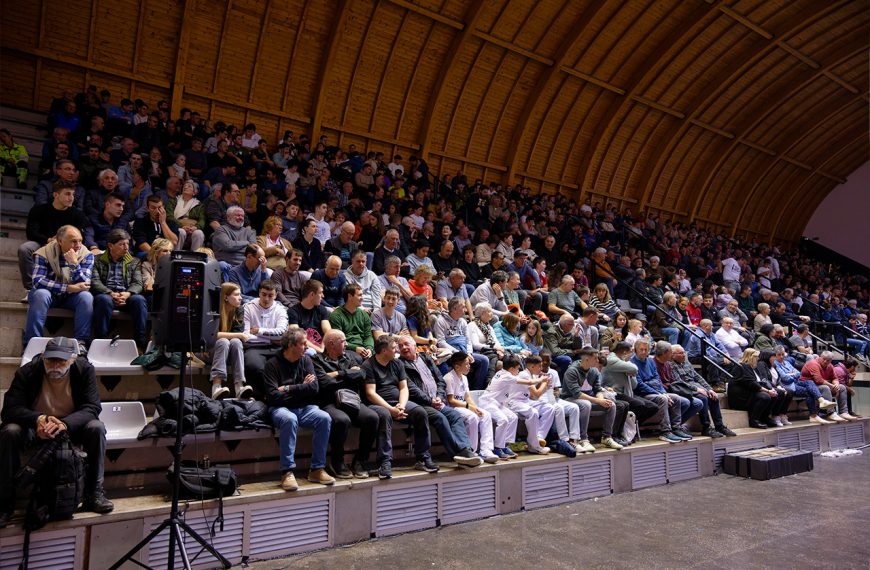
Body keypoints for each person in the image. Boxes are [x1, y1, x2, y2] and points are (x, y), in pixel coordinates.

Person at [0, 337, 114, 528]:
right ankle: (4, 503)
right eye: (50, 360)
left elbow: (92, 407)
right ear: (43, 357)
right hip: (35, 427)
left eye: (60, 361)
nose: (54, 366)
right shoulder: (27, 372)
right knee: (9, 431)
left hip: (70, 427)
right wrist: (39, 419)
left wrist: (65, 424)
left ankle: (94, 493)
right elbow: (10, 409)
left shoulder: (84, 370)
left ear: (72, 359)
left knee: (97, 428)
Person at [262, 329, 335, 491]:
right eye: (303, 344)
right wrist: (303, 388)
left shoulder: (306, 360)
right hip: (279, 409)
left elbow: (314, 388)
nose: (307, 347)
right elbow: (273, 397)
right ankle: (287, 472)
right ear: (290, 345)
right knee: (289, 419)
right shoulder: (272, 364)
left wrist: (288, 388)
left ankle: (317, 469)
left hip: (304, 407)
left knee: (324, 418)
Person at [397, 336, 484, 467]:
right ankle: (459, 452)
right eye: (400, 346)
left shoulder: (426, 358)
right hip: (420, 404)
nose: (403, 348)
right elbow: (411, 388)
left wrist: (439, 396)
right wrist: (430, 401)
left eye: (406, 344)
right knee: (440, 418)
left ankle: (466, 449)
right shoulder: (400, 364)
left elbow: (440, 380)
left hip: (437, 400)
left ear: (415, 346)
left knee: (454, 416)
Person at [362, 335, 440, 479]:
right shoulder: (369, 365)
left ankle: (423, 457)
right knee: (384, 416)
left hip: (398, 403)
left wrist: (402, 406)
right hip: (377, 404)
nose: (397, 350)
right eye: (393, 348)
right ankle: (385, 462)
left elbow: (404, 388)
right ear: (384, 351)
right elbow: (370, 393)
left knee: (420, 412)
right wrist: (391, 410)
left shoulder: (397, 363)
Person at [312, 330, 380, 479]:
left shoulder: (350, 356)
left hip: (351, 399)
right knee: (342, 420)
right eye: (343, 341)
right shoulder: (317, 360)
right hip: (329, 402)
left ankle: (360, 460)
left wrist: (338, 374)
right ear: (331, 343)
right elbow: (323, 383)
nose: (347, 344)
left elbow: (362, 375)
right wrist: (349, 375)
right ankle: (337, 461)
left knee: (372, 417)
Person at [24, 226, 93, 352]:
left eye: (80, 241)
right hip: (51, 295)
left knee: (86, 297)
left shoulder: (86, 255)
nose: (78, 245)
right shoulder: (44, 252)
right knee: (40, 294)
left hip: (71, 298)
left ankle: (81, 343)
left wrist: (73, 264)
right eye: (73, 241)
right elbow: (38, 281)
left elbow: (85, 284)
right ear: (60, 241)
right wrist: (67, 287)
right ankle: (32, 343)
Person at [19, 182, 94, 291]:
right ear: (55, 195)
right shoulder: (39, 210)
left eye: (73, 194)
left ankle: (68, 287)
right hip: (42, 243)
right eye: (67, 194)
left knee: (84, 252)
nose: (71, 198)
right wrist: (48, 239)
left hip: (66, 246)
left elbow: (82, 236)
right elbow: (31, 232)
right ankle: (30, 288)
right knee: (25, 249)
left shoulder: (78, 214)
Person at [479, 354, 551, 454]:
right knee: (503, 420)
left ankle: (505, 445)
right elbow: (530, 382)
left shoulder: (502, 372)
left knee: (513, 417)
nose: (518, 371)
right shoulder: (507, 376)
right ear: (512, 368)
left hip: (498, 403)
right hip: (488, 402)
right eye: (517, 368)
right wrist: (542, 380)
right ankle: (498, 448)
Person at [90, 229, 148, 349]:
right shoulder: (97, 260)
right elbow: (95, 282)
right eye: (122, 244)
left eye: (127, 243)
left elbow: (138, 283)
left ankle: (140, 342)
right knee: (103, 300)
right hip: (107, 294)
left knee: (139, 300)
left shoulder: (134, 261)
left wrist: (127, 293)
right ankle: (101, 341)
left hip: (126, 295)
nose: (126, 247)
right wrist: (110, 293)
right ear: (110, 245)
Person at [562, 348, 627, 450]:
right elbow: (577, 394)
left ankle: (607, 437)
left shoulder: (594, 371)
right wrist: (597, 401)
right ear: (587, 359)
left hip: (587, 399)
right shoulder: (572, 371)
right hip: (568, 399)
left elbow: (598, 390)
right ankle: (583, 439)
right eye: (595, 358)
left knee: (611, 404)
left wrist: (601, 400)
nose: (597, 361)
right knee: (586, 404)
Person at [632, 341, 695, 441]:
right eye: (641, 349)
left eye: (646, 349)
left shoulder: (650, 361)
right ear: (635, 350)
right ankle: (665, 431)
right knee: (662, 399)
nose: (644, 352)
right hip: (642, 394)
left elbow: (657, 379)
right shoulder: (632, 363)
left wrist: (664, 392)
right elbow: (640, 384)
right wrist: (660, 393)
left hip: (656, 391)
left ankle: (676, 428)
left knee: (676, 398)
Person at [443, 352, 500, 462]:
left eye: (469, 364)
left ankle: (486, 450)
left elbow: (467, 396)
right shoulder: (448, 378)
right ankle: (471, 451)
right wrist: (470, 407)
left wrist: (475, 408)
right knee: (472, 417)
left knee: (485, 415)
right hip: (453, 408)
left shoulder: (464, 378)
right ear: (457, 366)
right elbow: (451, 401)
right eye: (466, 364)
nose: (469, 366)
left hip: (464, 406)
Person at [669, 345, 736, 437]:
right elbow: (679, 383)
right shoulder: (670, 365)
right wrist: (697, 389)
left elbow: (698, 377)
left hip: (698, 388)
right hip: (686, 390)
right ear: (673, 355)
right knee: (703, 398)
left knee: (714, 397)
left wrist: (709, 389)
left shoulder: (686, 363)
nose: (684, 355)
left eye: (684, 352)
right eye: (681, 353)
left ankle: (719, 426)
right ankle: (706, 427)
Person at [600, 341, 663, 438]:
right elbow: (634, 368)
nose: (632, 354)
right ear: (625, 352)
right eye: (631, 351)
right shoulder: (612, 360)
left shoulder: (623, 361)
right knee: (638, 405)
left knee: (653, 407)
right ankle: (622, 431)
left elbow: (634, 385)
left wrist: (632, 376)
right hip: (614, 392)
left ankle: (631, 426)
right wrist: (630, 367)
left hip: (627, 392)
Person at [243, 280, 290, 394]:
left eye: (270, 295)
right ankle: (264, 396)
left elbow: (282, 333)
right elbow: (245, 336)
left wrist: (258, 331)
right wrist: (272, 339)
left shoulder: (280, 309)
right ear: (259, 293)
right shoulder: (248, 307)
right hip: (254, 347)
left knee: (286, 366)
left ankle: (279, 395)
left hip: (276, 348)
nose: (266, 299)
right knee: (254, 366)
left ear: (275, 295)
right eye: (264, 294)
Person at [433, 297, 490, 390]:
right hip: (451, 353)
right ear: (455, 308)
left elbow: (468, 340)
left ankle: (476, 390)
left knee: (484, 360)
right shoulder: (440, 321)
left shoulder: (463, 321)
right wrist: (460, 354)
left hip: (464, 351)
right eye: (463, 307)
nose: (466, 309)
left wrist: (468, 353)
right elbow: (441, 342)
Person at [212, 283, 255, 399]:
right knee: (223, 341)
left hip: (230, 353)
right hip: (210, 351)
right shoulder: (214, 309)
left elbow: (237, 337)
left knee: (235, 341)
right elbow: (212, 335)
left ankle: (239, 387)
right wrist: (240, 334)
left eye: (240, 294)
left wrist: (238, 335)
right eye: (236, 295)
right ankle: (216, 386)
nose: (240, 298)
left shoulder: (239, 310)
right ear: (226, 297)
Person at [728, 348, 778, 429]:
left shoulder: (752, 367)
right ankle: (754, 420)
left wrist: (770, 390)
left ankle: (764, 417)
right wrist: (768, 391)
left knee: (774, 395)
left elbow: (760, 381)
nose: (758, 359)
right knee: (765, 396)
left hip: (749, 393)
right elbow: (752, 384)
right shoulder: (743, 367)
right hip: (740, 397)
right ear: (751, 357)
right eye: (757, 357)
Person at [799, 351, 854, 422]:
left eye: (828, 360)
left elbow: (834, 378)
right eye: (823, 359)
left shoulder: (830, 366)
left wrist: (836, 385)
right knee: (825, 388)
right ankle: (830, 413)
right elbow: (818, 380)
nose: (825, 361)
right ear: (820, 357)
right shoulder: (813, 364)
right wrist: (832, 386)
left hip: (822, 385)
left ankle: (843, 412)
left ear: (831, 361)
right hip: (810, 387)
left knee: (842, 387)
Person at [328, 283, 374, 358]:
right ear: (350, 296)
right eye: (359, 295)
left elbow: (368, 336)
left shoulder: (364, 314)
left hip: (364, 348)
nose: (362, 298)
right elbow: (338, 340)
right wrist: (355, 348)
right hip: (346, 349)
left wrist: (369, 348)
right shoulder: (336, 315)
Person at [287, 279, 332, 355]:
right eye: (320, 293)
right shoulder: (293, 312)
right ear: (312, 295)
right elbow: (297, 336)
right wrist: (318, 349)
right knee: (311, 352)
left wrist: (322, 347)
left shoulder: (322, 309)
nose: (323, 296)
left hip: (322, 345)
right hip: (304, 347)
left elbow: (328, 331)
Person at [756, 349, 794, 427]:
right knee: (780, 392)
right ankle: (775, 416)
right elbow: (765, 379)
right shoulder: (761, 364)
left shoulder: (773, 365)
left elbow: (778, 378)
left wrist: (780, 386)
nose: (775, 358)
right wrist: (774, 388)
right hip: (767, 386)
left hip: (775, 386)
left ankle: (782, 414)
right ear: (767, 357)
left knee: (790, 392)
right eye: (773, 356)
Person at [543, 314, 584, 378]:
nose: (573, 326)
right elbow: (555, 352)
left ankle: (577, 380)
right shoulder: (551, 332)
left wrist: (576, 336)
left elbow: (578, 348)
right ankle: (561, 382)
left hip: (567, 353)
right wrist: (573, 352)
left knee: (584, 356)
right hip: (553, 356)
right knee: (566, 359)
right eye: (571, 324)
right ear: (564, 325)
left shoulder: (571, 330)